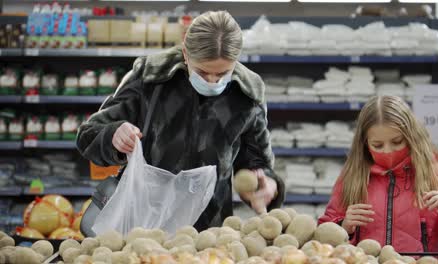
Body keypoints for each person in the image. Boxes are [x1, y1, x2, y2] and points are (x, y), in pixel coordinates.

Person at [76, 11, 285, 231]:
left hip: (208, 228)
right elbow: (88, 135)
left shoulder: (248, 92)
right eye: (203, 72)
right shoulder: (151, 76)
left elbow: (257, 161)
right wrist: (113, 135)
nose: (213, 81)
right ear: (186, 53)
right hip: (143, 221)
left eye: (223, 73)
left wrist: (266, 183)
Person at [318, 95, 438, 252]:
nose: (388, 151)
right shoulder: (352, 177)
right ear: (364, 144)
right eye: (378, 145)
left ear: (411, 137)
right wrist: (344, 226)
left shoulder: (436, 175)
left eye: (397, 142)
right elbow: (323, 236)